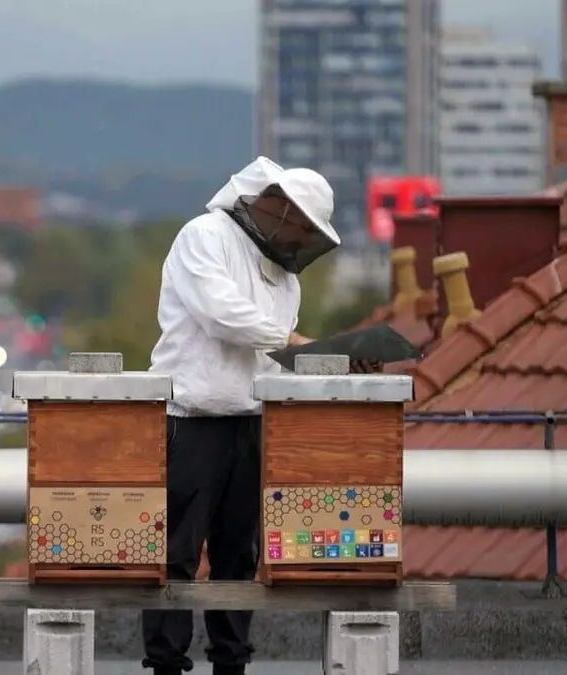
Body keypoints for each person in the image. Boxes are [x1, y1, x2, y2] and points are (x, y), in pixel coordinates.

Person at [141, 157, 342, 675]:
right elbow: (221, 314)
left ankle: (231, 660)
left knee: (239, 552)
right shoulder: (202, 236)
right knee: (176, 551)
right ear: (275, 206)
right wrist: (298, 342)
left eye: (307, 232)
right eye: (297, 226)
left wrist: (330, 358)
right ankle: (166, 661)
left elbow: (271, 349)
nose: (298, 238)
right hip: (190, 417)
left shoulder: (285, 280)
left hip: (252, 421)